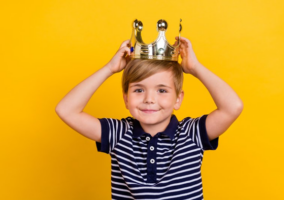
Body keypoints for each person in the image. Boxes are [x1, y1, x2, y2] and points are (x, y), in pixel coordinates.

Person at [55, 36, 243, 199]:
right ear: (126, 99)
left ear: (178, 99)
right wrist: (109, 69)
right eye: (139, 90)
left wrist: (195, 67)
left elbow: (232, 107)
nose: (149, 99)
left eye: (162, 90)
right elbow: (66, 110)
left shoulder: (192, 133)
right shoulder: (118, 134)